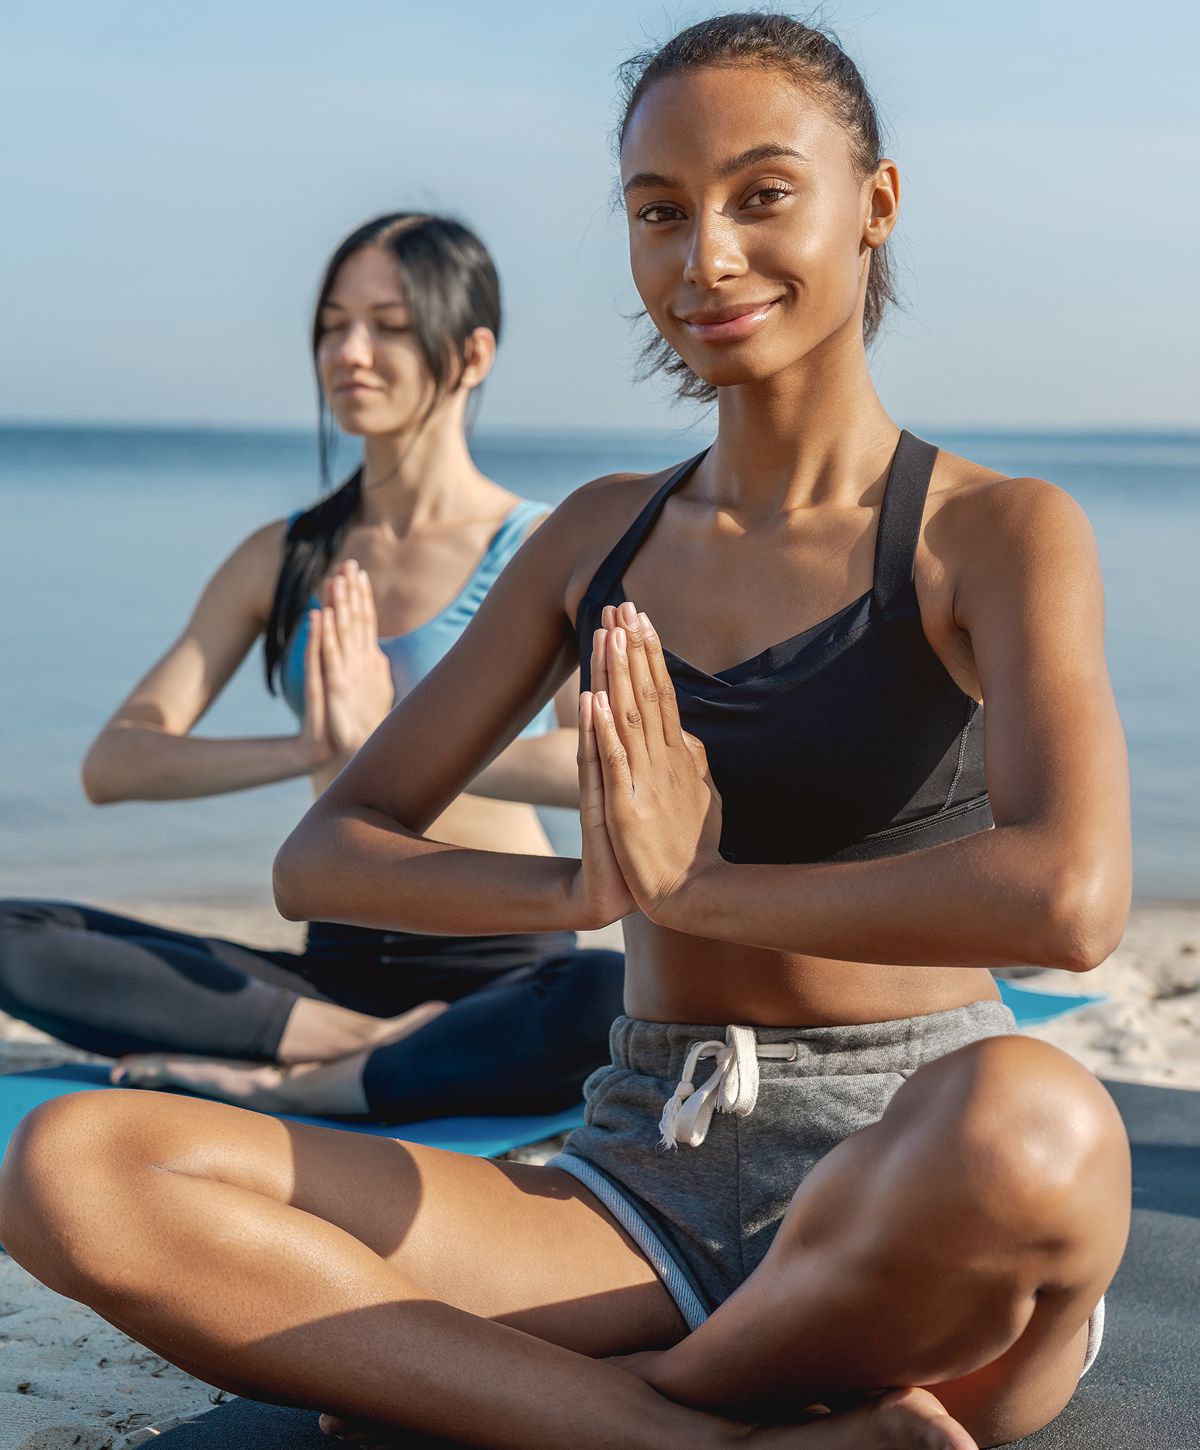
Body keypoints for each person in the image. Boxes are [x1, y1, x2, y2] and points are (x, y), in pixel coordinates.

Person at [0, 16, 1132, 1449]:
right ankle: (705, 1436)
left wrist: (695, 887)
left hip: (926, 1167)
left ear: (877, 209)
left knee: (1041, 1128)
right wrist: (579, 891)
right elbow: (329, 849)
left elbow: (1072, 900)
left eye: (761, 195)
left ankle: (607, 1407)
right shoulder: (599, 534)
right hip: (641, 1165)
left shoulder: (994, 532)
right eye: (659, 212)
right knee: (78, 1165)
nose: (706, 254)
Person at [0, 212, 623, 1122]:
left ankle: (292, 1084)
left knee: (602, 995)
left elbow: (606, 768)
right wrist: (310, 747)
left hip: (504, 958)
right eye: (333, 324)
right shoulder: (282, 559)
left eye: (391, 325)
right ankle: (352, 1053)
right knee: (14, 935)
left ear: (474, 352)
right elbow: (117, 764)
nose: (351, 352)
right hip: (326, 967)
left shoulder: (540, 548)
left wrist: (391, 743)